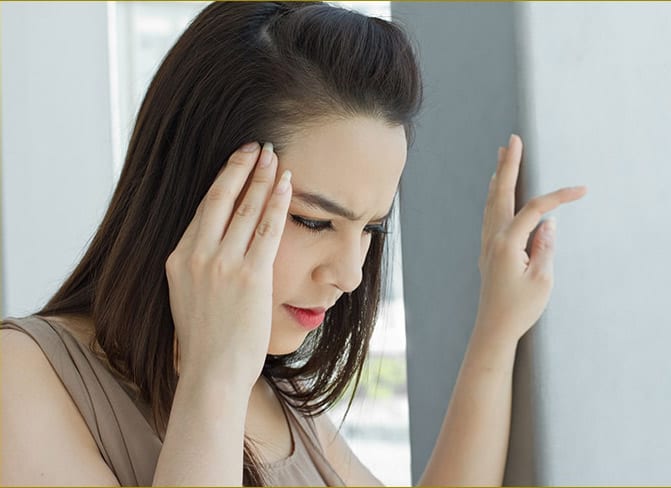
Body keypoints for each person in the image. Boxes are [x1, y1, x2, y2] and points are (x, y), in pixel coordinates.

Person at [0, 1, 588, 486]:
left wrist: (496, 330)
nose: (352, 275)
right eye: (313, 221)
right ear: (197, 190)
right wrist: (215, 376)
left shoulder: (270, 393)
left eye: (371, 229)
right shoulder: (22, 378)